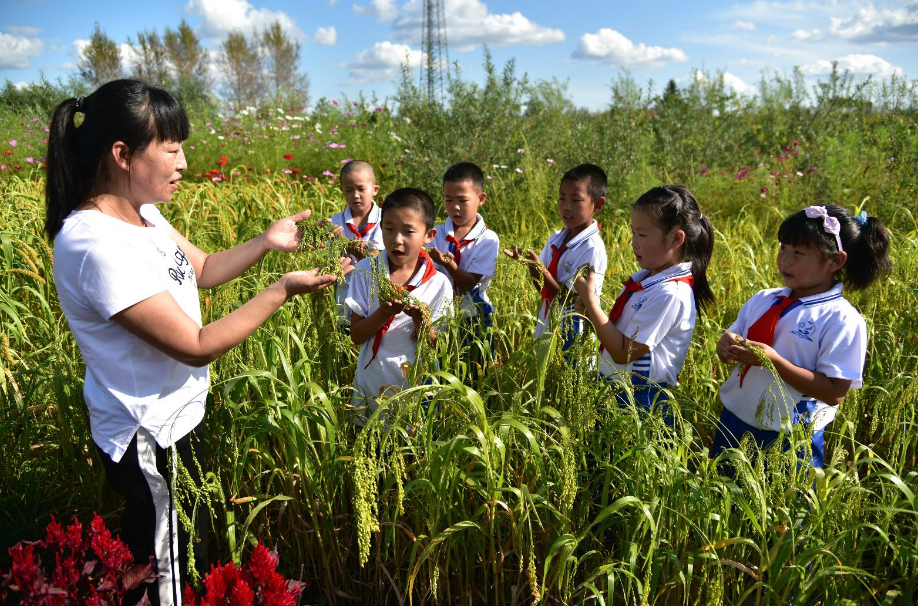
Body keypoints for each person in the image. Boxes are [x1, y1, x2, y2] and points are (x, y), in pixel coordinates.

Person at [46, 80, 350, 606]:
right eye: (172, 148)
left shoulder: (143, 213)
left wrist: (266, 241)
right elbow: (195, 343)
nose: (185, 161)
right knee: (165, 572)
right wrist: (282, 289)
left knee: (187, 553)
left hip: (179, 419)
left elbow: (203, 269)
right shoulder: (94, 244)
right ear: (122, 154)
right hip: (147, 436)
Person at [713, 205, 891, 468]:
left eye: (798, 253)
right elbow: (733, 338)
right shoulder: (764, 299)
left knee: (782, 506)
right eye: (783, 248)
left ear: (835, 261)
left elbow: (834, 392)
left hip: (790, 439)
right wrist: (725, 345)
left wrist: (773, 362)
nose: (785, 260)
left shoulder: (841, 318)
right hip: (733, 421)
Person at [574, 185, 714, 422]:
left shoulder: (671, 293)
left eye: (643, 234)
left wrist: (591, 302)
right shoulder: (646, 282)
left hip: (643, 401)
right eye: (633, 233)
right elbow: (617, 335)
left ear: (676, 239)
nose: (633, 243)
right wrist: (589, 312)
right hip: (616, 388)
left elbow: (623, 352)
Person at [346, 188, 453, 422]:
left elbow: (440, 347)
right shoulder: (366, 271)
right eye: (389, 229)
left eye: (408, 231)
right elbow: (356, 335)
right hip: (372, 378)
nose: (397, 240)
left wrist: (421, 322)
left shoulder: (439, 283)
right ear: (380, 227)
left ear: (429, 234)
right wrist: (383, 312)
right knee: (370, 439)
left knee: (412, 444)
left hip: (416, 384)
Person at [504, 164, 607, 351]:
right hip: (548, 324)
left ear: (598, 205)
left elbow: (572, 300)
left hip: (573, 332)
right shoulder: (556, 239)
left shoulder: (591, 248)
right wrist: (531, 266)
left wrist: (540, 269)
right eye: (562, 199)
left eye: (576, 200)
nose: (566, 207)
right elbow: (543, 289)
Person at [427, 162, 499, 379]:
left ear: (481, 199)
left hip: (474, 316)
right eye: (448, 200)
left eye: (462, 200)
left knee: (475, 372)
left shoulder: (487, 239)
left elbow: (469, 283)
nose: (455, 207)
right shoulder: (435, 233)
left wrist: (448, 263)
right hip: (440, 316)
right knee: (441, 369)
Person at [329, 160, 384, 323]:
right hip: (344, 296)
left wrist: (362, 253)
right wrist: (337, 246)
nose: (355, 195)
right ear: (342, 190)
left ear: (375, 190)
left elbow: (377, 255)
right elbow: (329, 260)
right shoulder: (335, 222)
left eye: (361, 189)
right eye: (349, 190)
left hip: (376, 299)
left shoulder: (385, 219)